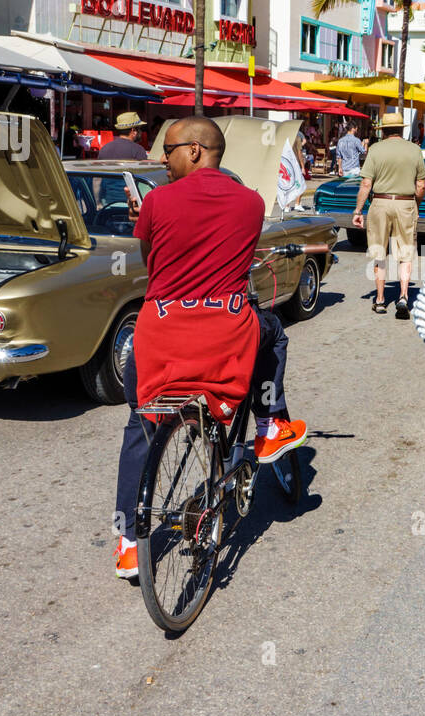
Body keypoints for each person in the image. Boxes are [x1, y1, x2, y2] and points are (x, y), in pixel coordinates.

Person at [112, 117, 307, 581]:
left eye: (170, 147)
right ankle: (268, 423)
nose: (163, 157)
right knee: (273, 333)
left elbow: (152, 263)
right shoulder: (251, 203)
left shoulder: (156, 201)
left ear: (196, 150)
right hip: (225, 332)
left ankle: (126, 544)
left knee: (141, 426)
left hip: (161, 334)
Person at [352, 113, 425, 318]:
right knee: (406, 252)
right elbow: (421, 185)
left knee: (379, 251)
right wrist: (414, 204)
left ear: (383, 131)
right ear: (402, 129)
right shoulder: (414, 150)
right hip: (406, 204)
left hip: (380, 203)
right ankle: (403, 297)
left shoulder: (375, 150)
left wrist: (358, 210)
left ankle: (380, 299)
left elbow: (366, 183)